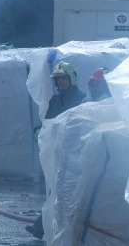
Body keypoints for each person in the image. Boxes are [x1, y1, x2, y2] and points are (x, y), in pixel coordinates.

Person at [26, 61, 87, 239]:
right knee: (55, 189)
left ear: (71, 79)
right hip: (55, 152)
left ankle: (44, 227)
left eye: (63, 79)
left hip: (71, 153)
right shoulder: (55, 100)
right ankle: (47, 226)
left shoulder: (80, 99)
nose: (61, 82)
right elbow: (48, 121)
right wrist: (39, 130)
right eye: (58, 79)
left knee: (61, 190)